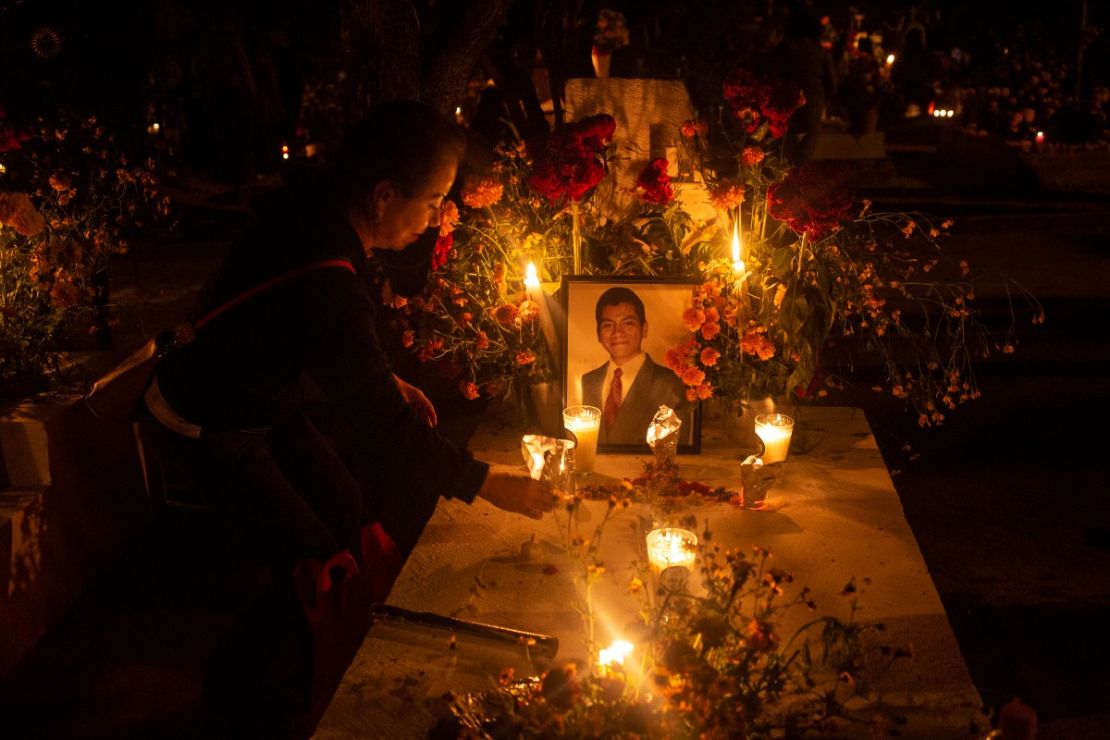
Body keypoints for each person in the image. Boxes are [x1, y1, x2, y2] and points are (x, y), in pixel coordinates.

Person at [580, 287, 691, 446]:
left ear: (644, 329)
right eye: (608, 325)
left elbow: (678, 451)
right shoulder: (589, 381)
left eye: (628, 323)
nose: (618, 332)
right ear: (598, 334)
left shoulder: (670, 384)